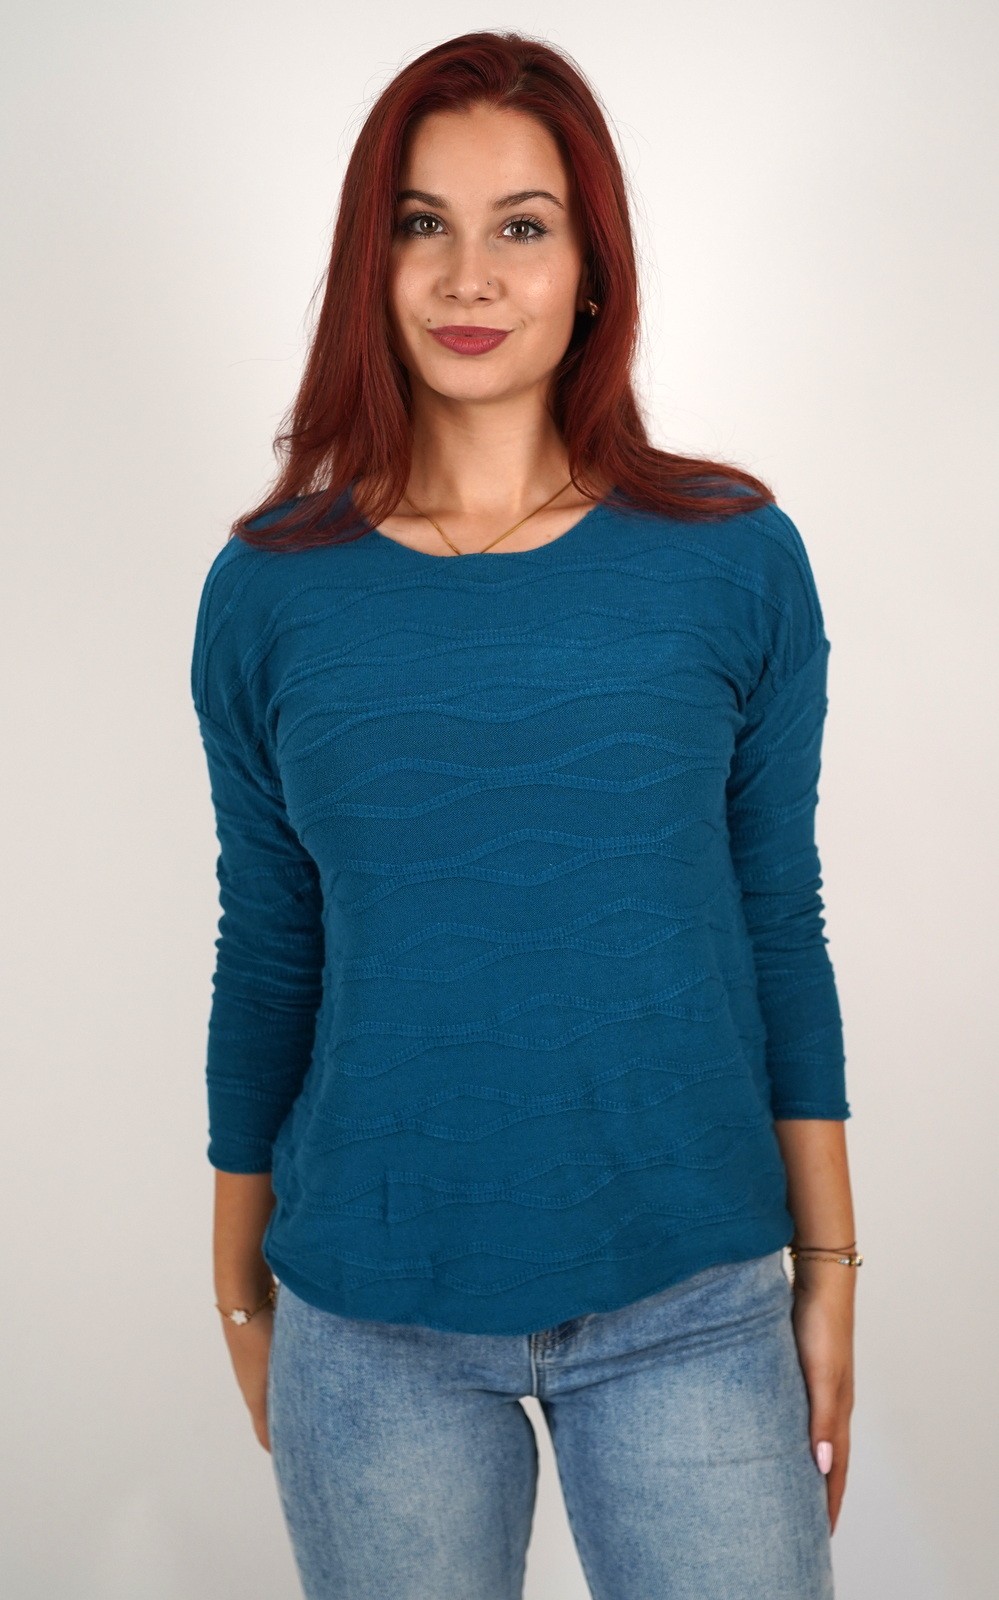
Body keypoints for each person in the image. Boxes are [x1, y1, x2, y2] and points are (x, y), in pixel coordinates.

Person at [190, 29, 860, 1600]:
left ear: (592, 267)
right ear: (370, 261)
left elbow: (775, 917)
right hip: (371, 1322)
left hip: (692, 1299)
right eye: (421, 223)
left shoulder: (732, 558)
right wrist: (236, 1288)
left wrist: (828, 1267)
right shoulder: (270, 593)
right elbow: (271, 947)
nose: (468, 277)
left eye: (523, 225)